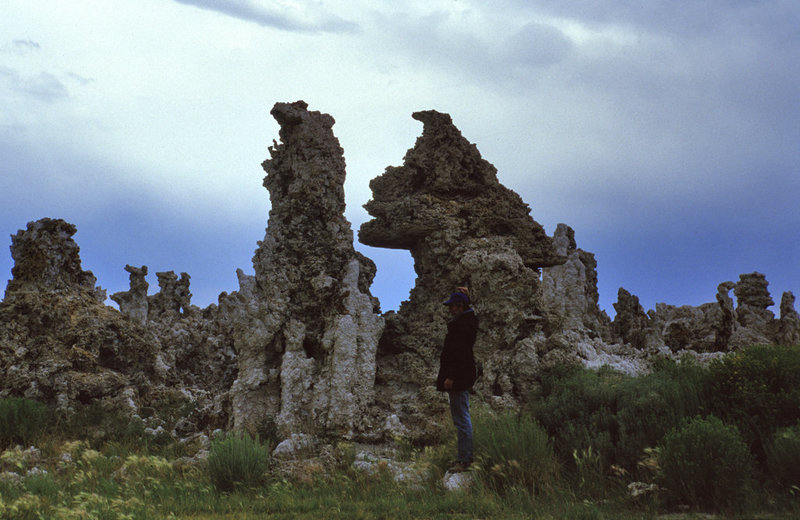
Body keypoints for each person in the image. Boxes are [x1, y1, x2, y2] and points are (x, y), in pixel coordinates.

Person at [436, 287, 478, 472]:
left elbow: (458, 353)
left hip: (459, 377)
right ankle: (463, 458)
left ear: (460, 306)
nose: (449, 310)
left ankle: (464, 461)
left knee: (461, 419)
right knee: (462, 417)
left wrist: (451, 376)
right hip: (462, 375)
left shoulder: (462, 325)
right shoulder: (466, 320)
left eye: (452, 306)